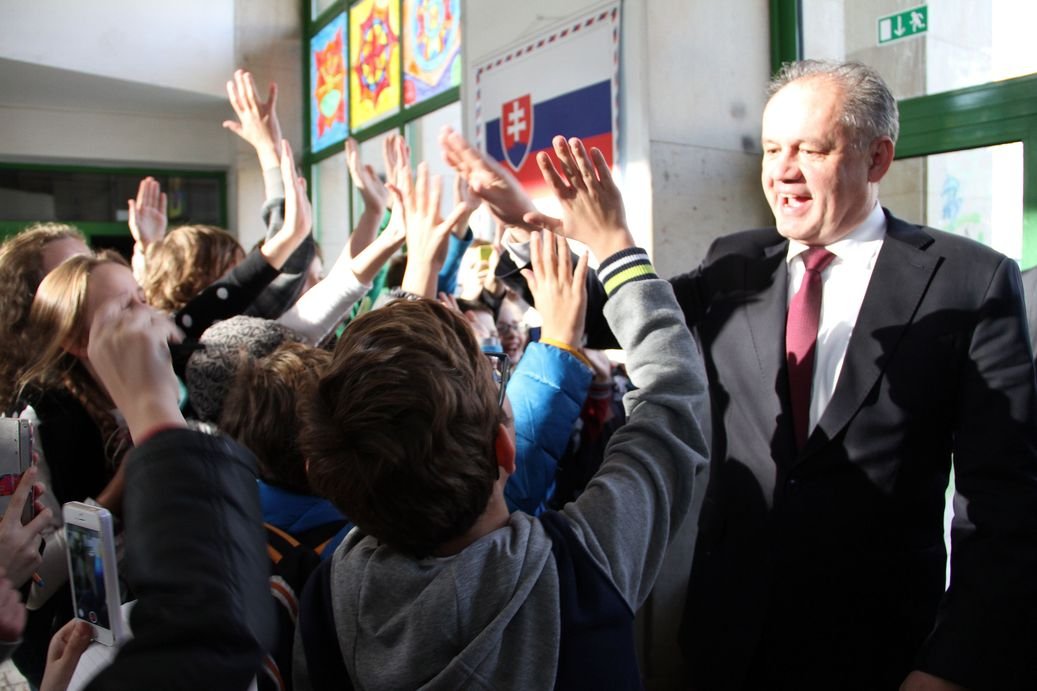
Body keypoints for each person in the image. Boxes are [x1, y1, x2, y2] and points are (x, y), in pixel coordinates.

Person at [445, 60, 1037, 690]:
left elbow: (1004, 502)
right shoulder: (735, 261)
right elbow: (607, 317)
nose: (784, 170)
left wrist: (950, 664)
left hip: (880, 647)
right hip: (727, 637)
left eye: (812, 149)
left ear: (877, 158)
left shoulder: (970, 281)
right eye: (773, 149)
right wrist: (523, 228)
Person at [292, 142, 709, 689]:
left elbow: (670, 397)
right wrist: (615, 245)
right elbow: (674, 399)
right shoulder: (582, 565)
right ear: (504, 449)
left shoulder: (330, 591)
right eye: (498, 380)